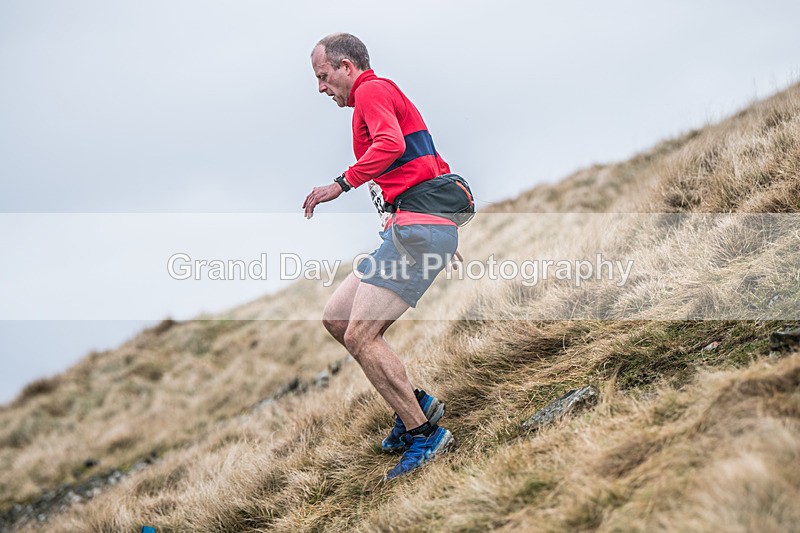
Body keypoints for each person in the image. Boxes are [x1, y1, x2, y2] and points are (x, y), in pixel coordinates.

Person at [303, 33, 461, 480]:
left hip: (418, 231)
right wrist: (442, 223)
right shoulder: (380, 93)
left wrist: (341, 183)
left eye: (323, 76)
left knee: (361, 336)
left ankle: (424, 434)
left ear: (346, 67)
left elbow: (390, 145)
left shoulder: (372, 89)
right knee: (337, 318)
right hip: (415, 226)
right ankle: (419, 404)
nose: (321, 88)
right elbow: (426, 156)